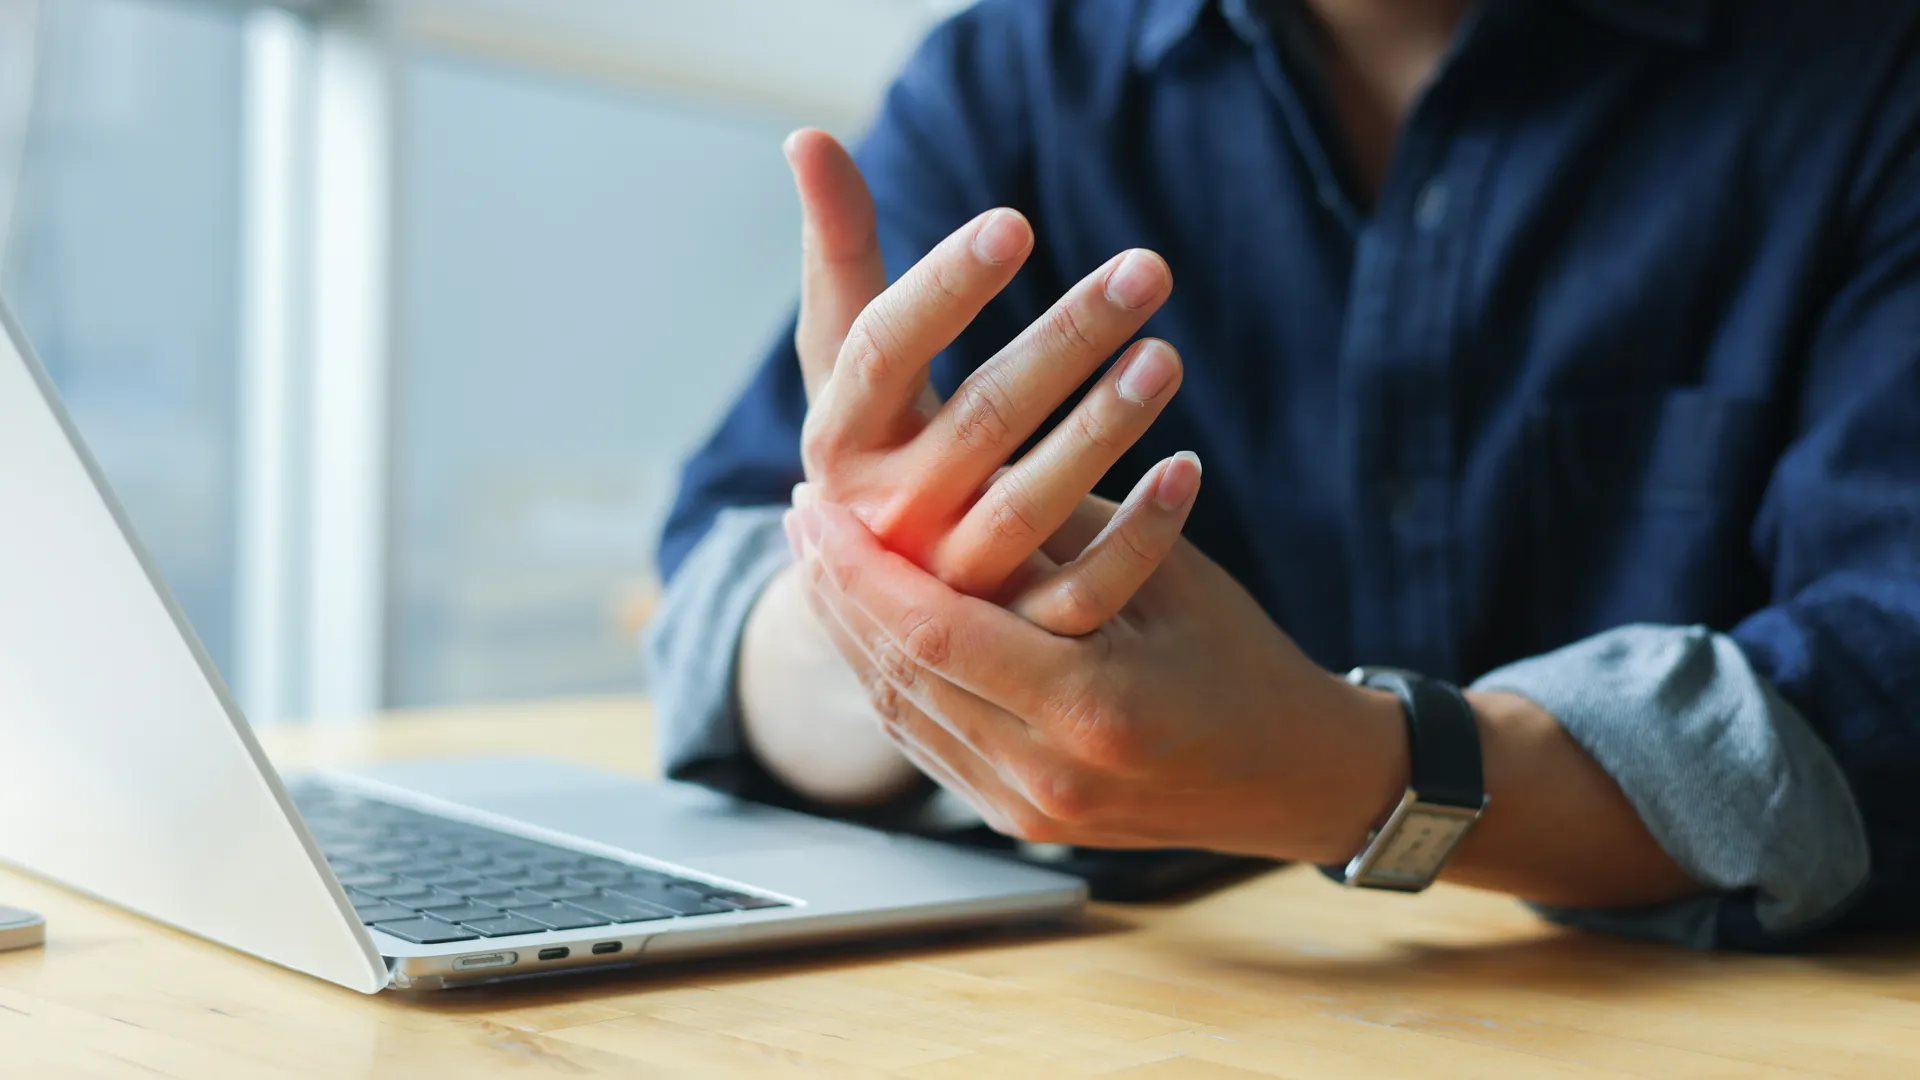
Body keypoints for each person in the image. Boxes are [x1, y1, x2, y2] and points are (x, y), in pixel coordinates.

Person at [647, 0, 1920, 950]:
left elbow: (1890, 679)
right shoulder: (1016, 72)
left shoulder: (1868, 72)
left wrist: (1350, 770)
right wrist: (890, 610)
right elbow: (722, 591)